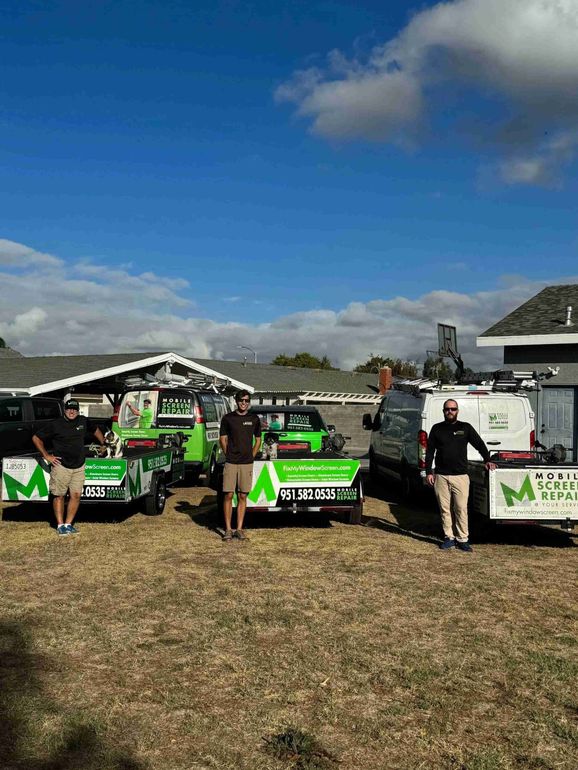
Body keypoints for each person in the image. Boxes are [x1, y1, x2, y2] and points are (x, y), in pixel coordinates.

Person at [425, 398, 496, 552]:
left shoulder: (465, 428)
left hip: (461, 476)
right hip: (441, 476)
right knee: (445, 509)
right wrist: (428, 472)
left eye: (453, 409)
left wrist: (487, 460)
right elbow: (430, 451)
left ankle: (463, 539)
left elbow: (479, 444)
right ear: (443, 411)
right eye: (447, 409)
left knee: (461, 508)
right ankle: (449, 537)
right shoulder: (437, 429)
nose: (450, 411)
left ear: (457, 411)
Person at [32, 399, 106, 536]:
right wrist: (47, 455)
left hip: (79, 465)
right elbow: (36, 438)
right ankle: (60, 526)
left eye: (75, 409)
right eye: (69, 409)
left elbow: (95, 430)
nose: (72, 412)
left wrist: (103, 443)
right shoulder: (56, 424)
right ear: (65, 410)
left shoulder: (83, 421)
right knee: (59, 496)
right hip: (61, 466)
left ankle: (68, 524)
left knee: (76, 495)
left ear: (78, 411)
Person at [219, 390, 261, 541]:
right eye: (241, 400)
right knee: (228, 494)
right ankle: (228, 530)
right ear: (236, 401)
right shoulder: (228, 418)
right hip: (231, 462)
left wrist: (252, 455)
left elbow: (258, 440)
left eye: (247, 400)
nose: (244, 403)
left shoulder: (254, 419)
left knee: (243, 495)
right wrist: (228, 454)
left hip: (246, 463)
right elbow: (222, 439)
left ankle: (239, 529)